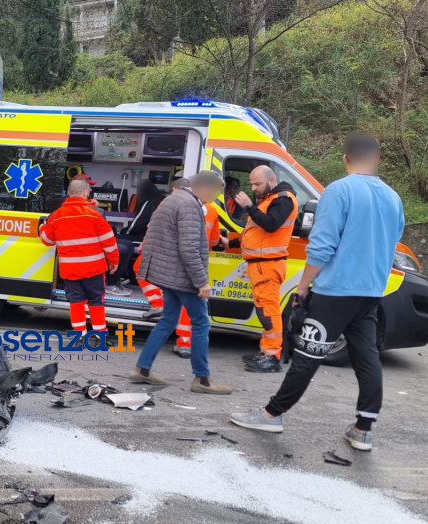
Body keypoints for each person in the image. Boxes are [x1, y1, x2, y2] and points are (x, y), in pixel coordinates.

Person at [230, 133, 404, 449]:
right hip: (371, 292)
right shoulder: (393, 197)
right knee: (367, 358)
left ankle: (271, 415)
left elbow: (322, 246)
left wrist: (303, 285)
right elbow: (392, 240)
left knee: (307, 356)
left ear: (345, 159)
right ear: (377, 159)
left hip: (335, 291)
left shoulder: (338, 191)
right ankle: (363, 429)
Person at [127, 171, 232, 394]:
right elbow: (189, 248)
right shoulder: (190, 206)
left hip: (167, 274)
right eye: (215, 192)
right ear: (204, 186)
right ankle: (202, 380)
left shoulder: (171, 200)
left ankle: (142, 369)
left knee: (168, 320)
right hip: (182, 277)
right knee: (202, 323)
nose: (214, 198)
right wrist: (201, 282)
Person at [230, 166, 299, 373]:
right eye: (251, 183)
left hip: (268, 265)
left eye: (257, 183)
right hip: (261, 265)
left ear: (271, 179)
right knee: (265, 310)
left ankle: (271, 357)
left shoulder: (283, 199)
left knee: (268, 311)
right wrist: (230, 242)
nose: (253, 187)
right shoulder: (269, 199)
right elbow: (257, 234)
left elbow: (271, 225)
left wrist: (250, 207)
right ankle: (266, 352)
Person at [40, 176, 120, 332]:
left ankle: (80, 336)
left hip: (70, 271)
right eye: (89, 191)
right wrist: (113, 262)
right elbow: (109, 242)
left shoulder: (57, 216)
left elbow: (47, 240)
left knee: (76, 303)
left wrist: (43, 227)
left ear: (69, 193)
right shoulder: (94, 214)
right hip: (94, 269)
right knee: (96, 301)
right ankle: (99, 336)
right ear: (84, 193)